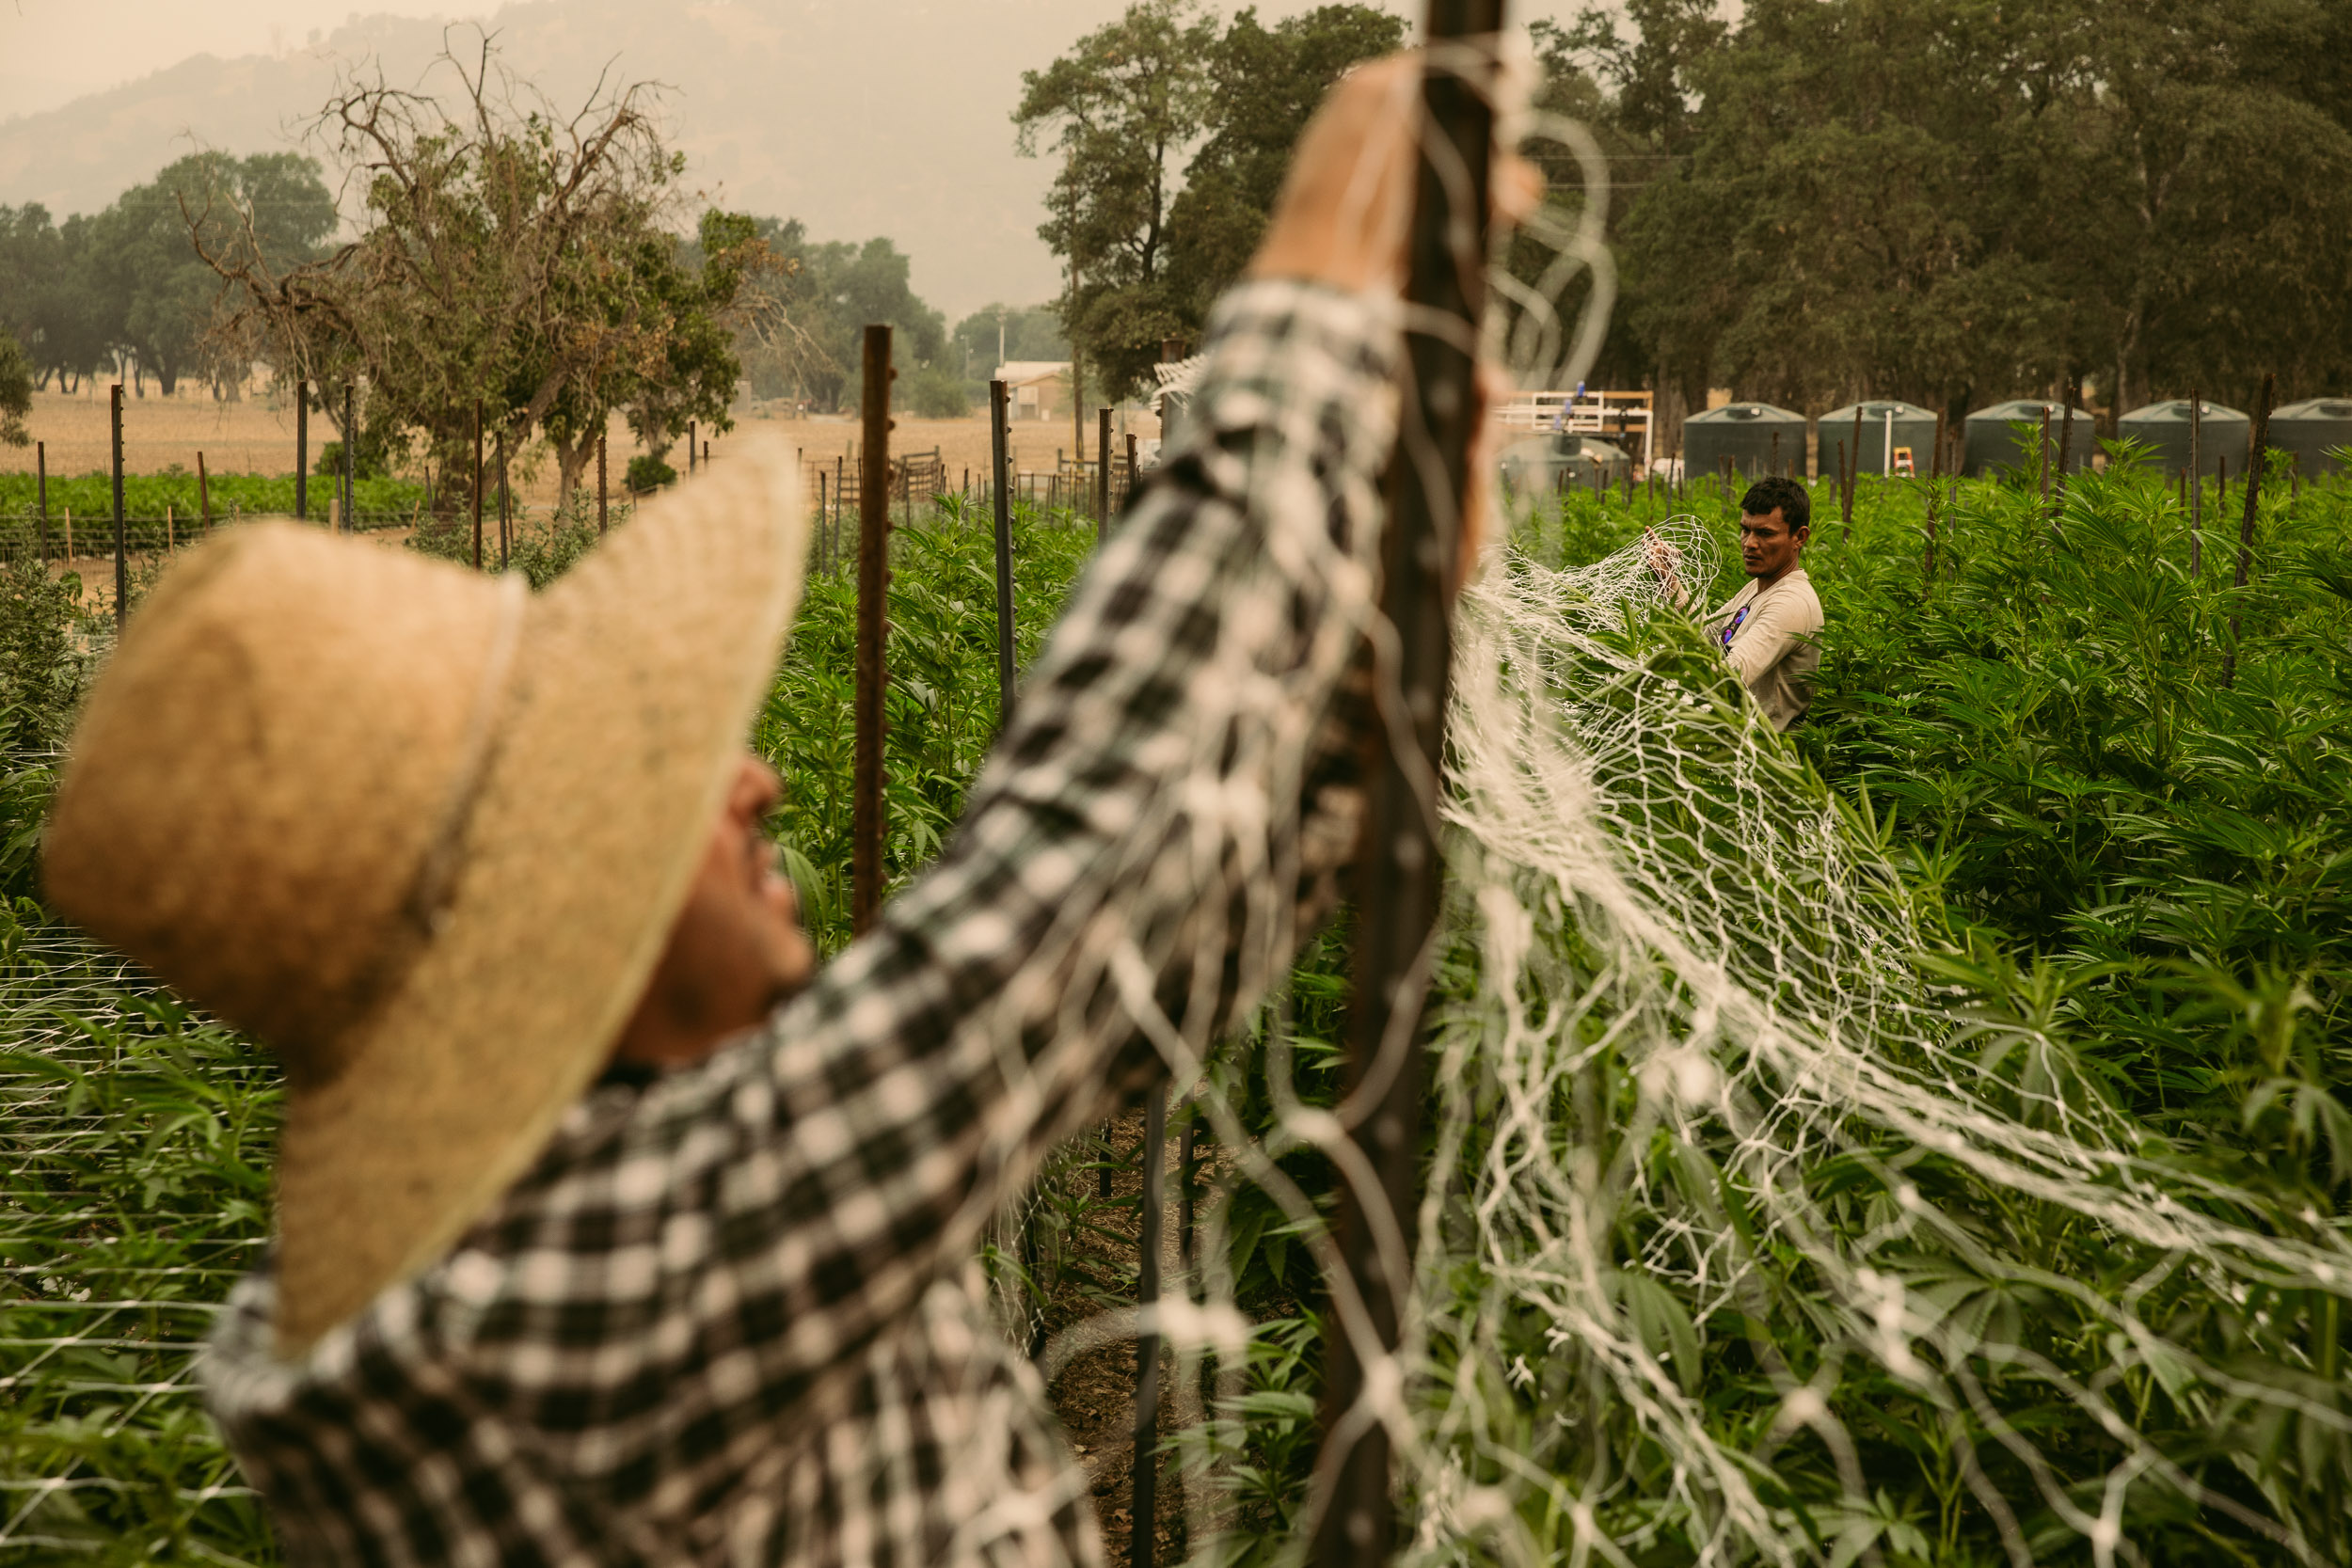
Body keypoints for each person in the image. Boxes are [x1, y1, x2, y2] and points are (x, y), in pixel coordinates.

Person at [39, 58, 1532, 1568]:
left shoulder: (563, 1227)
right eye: (651, 776)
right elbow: (1042, 924)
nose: (755, 779)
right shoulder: (531, 1331)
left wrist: (1359, 626)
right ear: (540, 910)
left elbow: (1138, 959)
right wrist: (1311, 316)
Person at [1706, 474, 1822, 730]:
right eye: (1745, 530)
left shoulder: (1791, 603)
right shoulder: (1758, 587)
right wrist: (1670, 581)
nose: (1749, 544)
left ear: (1799, 537)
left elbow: (1731, 674)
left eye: (1765, 533)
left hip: (1764, 750)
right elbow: (1705, 636)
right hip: (1732, 740)